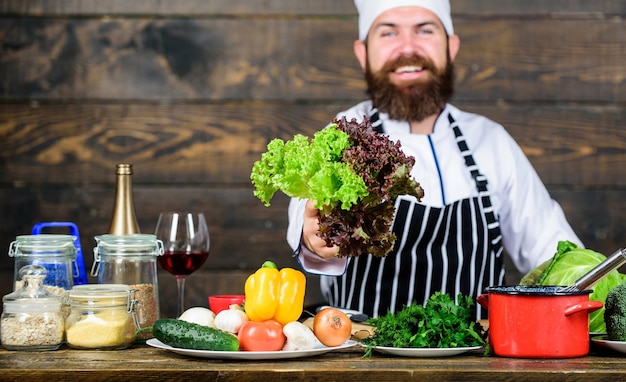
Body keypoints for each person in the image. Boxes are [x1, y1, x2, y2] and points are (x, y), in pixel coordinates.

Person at [286, 0, 582, 319]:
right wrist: (316, 238)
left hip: (480, 361)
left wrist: (596, 283)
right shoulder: (342, 137)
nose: (408, 48)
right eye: (388, 33)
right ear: (363, 53)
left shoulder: (491, 142)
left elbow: (554, 252)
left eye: (424, 30)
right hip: (365, 357)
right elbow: (308, 228)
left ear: (451, 47)